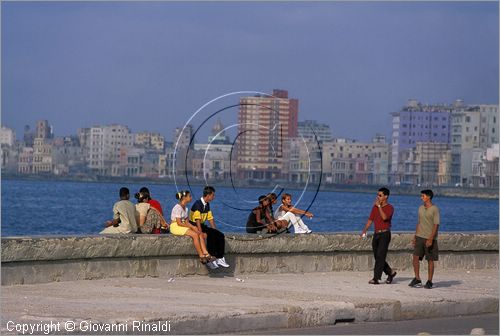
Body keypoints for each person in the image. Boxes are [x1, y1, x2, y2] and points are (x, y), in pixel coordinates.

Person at [361, 187, 397, 285]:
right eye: (377, 195)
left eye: (380, 195)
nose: (378, 197)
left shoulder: (390, 208)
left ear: (386, 196)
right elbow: (370, 220)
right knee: (377, 256)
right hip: (376, 234)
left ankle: (376, 278)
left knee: (381, 256)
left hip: (385, 234)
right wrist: (364, 230)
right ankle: (390, 272)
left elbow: (385, 217)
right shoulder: (375, 207)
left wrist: (379, 207)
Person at [189, 186, 230, 269]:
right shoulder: (198, 204)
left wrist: (215, 230)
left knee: (220, 235)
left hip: (202, 225)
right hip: (195, 226)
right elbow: (197, 220)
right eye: (213, 195)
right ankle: (211, 258)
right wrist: (200, 232)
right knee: (209, 235)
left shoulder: (207, 204)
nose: (213, 197)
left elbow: (210, 218)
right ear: (208, 195)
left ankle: (220, 257)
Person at [170, 190, 215, 265]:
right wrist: (191, 228)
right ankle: (201, 255)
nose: (191, 197)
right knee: (194, 234)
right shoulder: (177, 207)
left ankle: (206, 253)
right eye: (189, 196)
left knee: (198, 232)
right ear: (184, 197)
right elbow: (179, 222)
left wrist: (193, 227)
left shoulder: (186, 208)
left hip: (182, 225)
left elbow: (187, 222)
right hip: (175, 226)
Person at [409, 189, 440, 289]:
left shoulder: (435, 209)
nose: (421, 198)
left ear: (428, 197)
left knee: (430, 260)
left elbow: (436, 225)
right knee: (415, 257)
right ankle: (417, 278)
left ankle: (430, 281)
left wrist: (431, 239)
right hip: (419, 237)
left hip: (429, 238)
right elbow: (419, 223)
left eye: (423, 196)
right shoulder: (420, 208)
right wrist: (415, 236)